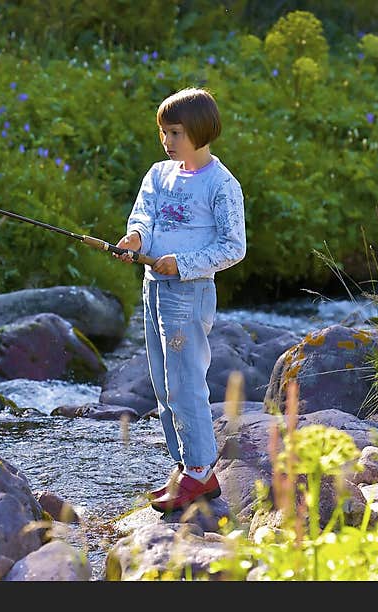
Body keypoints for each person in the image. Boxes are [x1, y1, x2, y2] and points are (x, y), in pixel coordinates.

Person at [114, 87, 246, 513]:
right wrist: (136, 239)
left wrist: (182, 264)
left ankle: (202, 471)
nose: (167, 141)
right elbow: (143, 218)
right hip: (153, 290)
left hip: (188, 295)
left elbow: (233, 247)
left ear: (201, 132)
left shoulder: (222, 185)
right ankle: (186, 466)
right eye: (163, 133)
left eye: (175, 133)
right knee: (163, 384)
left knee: (186, 383)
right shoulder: (157, 175)